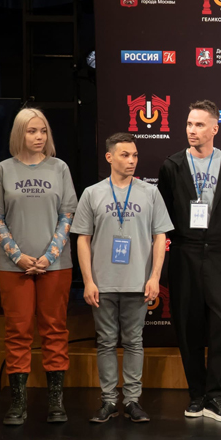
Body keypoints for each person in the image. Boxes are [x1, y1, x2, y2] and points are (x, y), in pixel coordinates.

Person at [0, 108, 76, 425]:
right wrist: (17, 256)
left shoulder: (60, 168)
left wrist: (49, 256)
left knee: (55, 330)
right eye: (32, 131)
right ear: (18, 134)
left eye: (43, 131)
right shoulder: (2, 170)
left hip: (56, 266)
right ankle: (18, 403)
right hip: (14, 268)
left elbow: (67, 216)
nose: (39, 137)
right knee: (17, 332)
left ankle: (56, 403)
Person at [72, 133, 173, 423]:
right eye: (125, 155)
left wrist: (154, 277)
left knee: (134, 341)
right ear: (109, 157)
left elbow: (160, 236)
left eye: (135, 155)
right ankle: (108, 401)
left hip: (138, 282)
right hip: (102, 283)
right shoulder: (92, 193)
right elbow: (82, 238)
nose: (132, 160)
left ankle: (131, 400)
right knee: (105, 342)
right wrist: (88, 281)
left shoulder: (149, 193)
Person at [157, 100, 221, 422]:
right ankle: (196, 395)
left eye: (199, 125)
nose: (192, 130)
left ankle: (217, 396)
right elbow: (164, 214)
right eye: (189, 124)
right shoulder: (172, 165)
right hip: (185, 252)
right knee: (188, 326)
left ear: (214, 128)